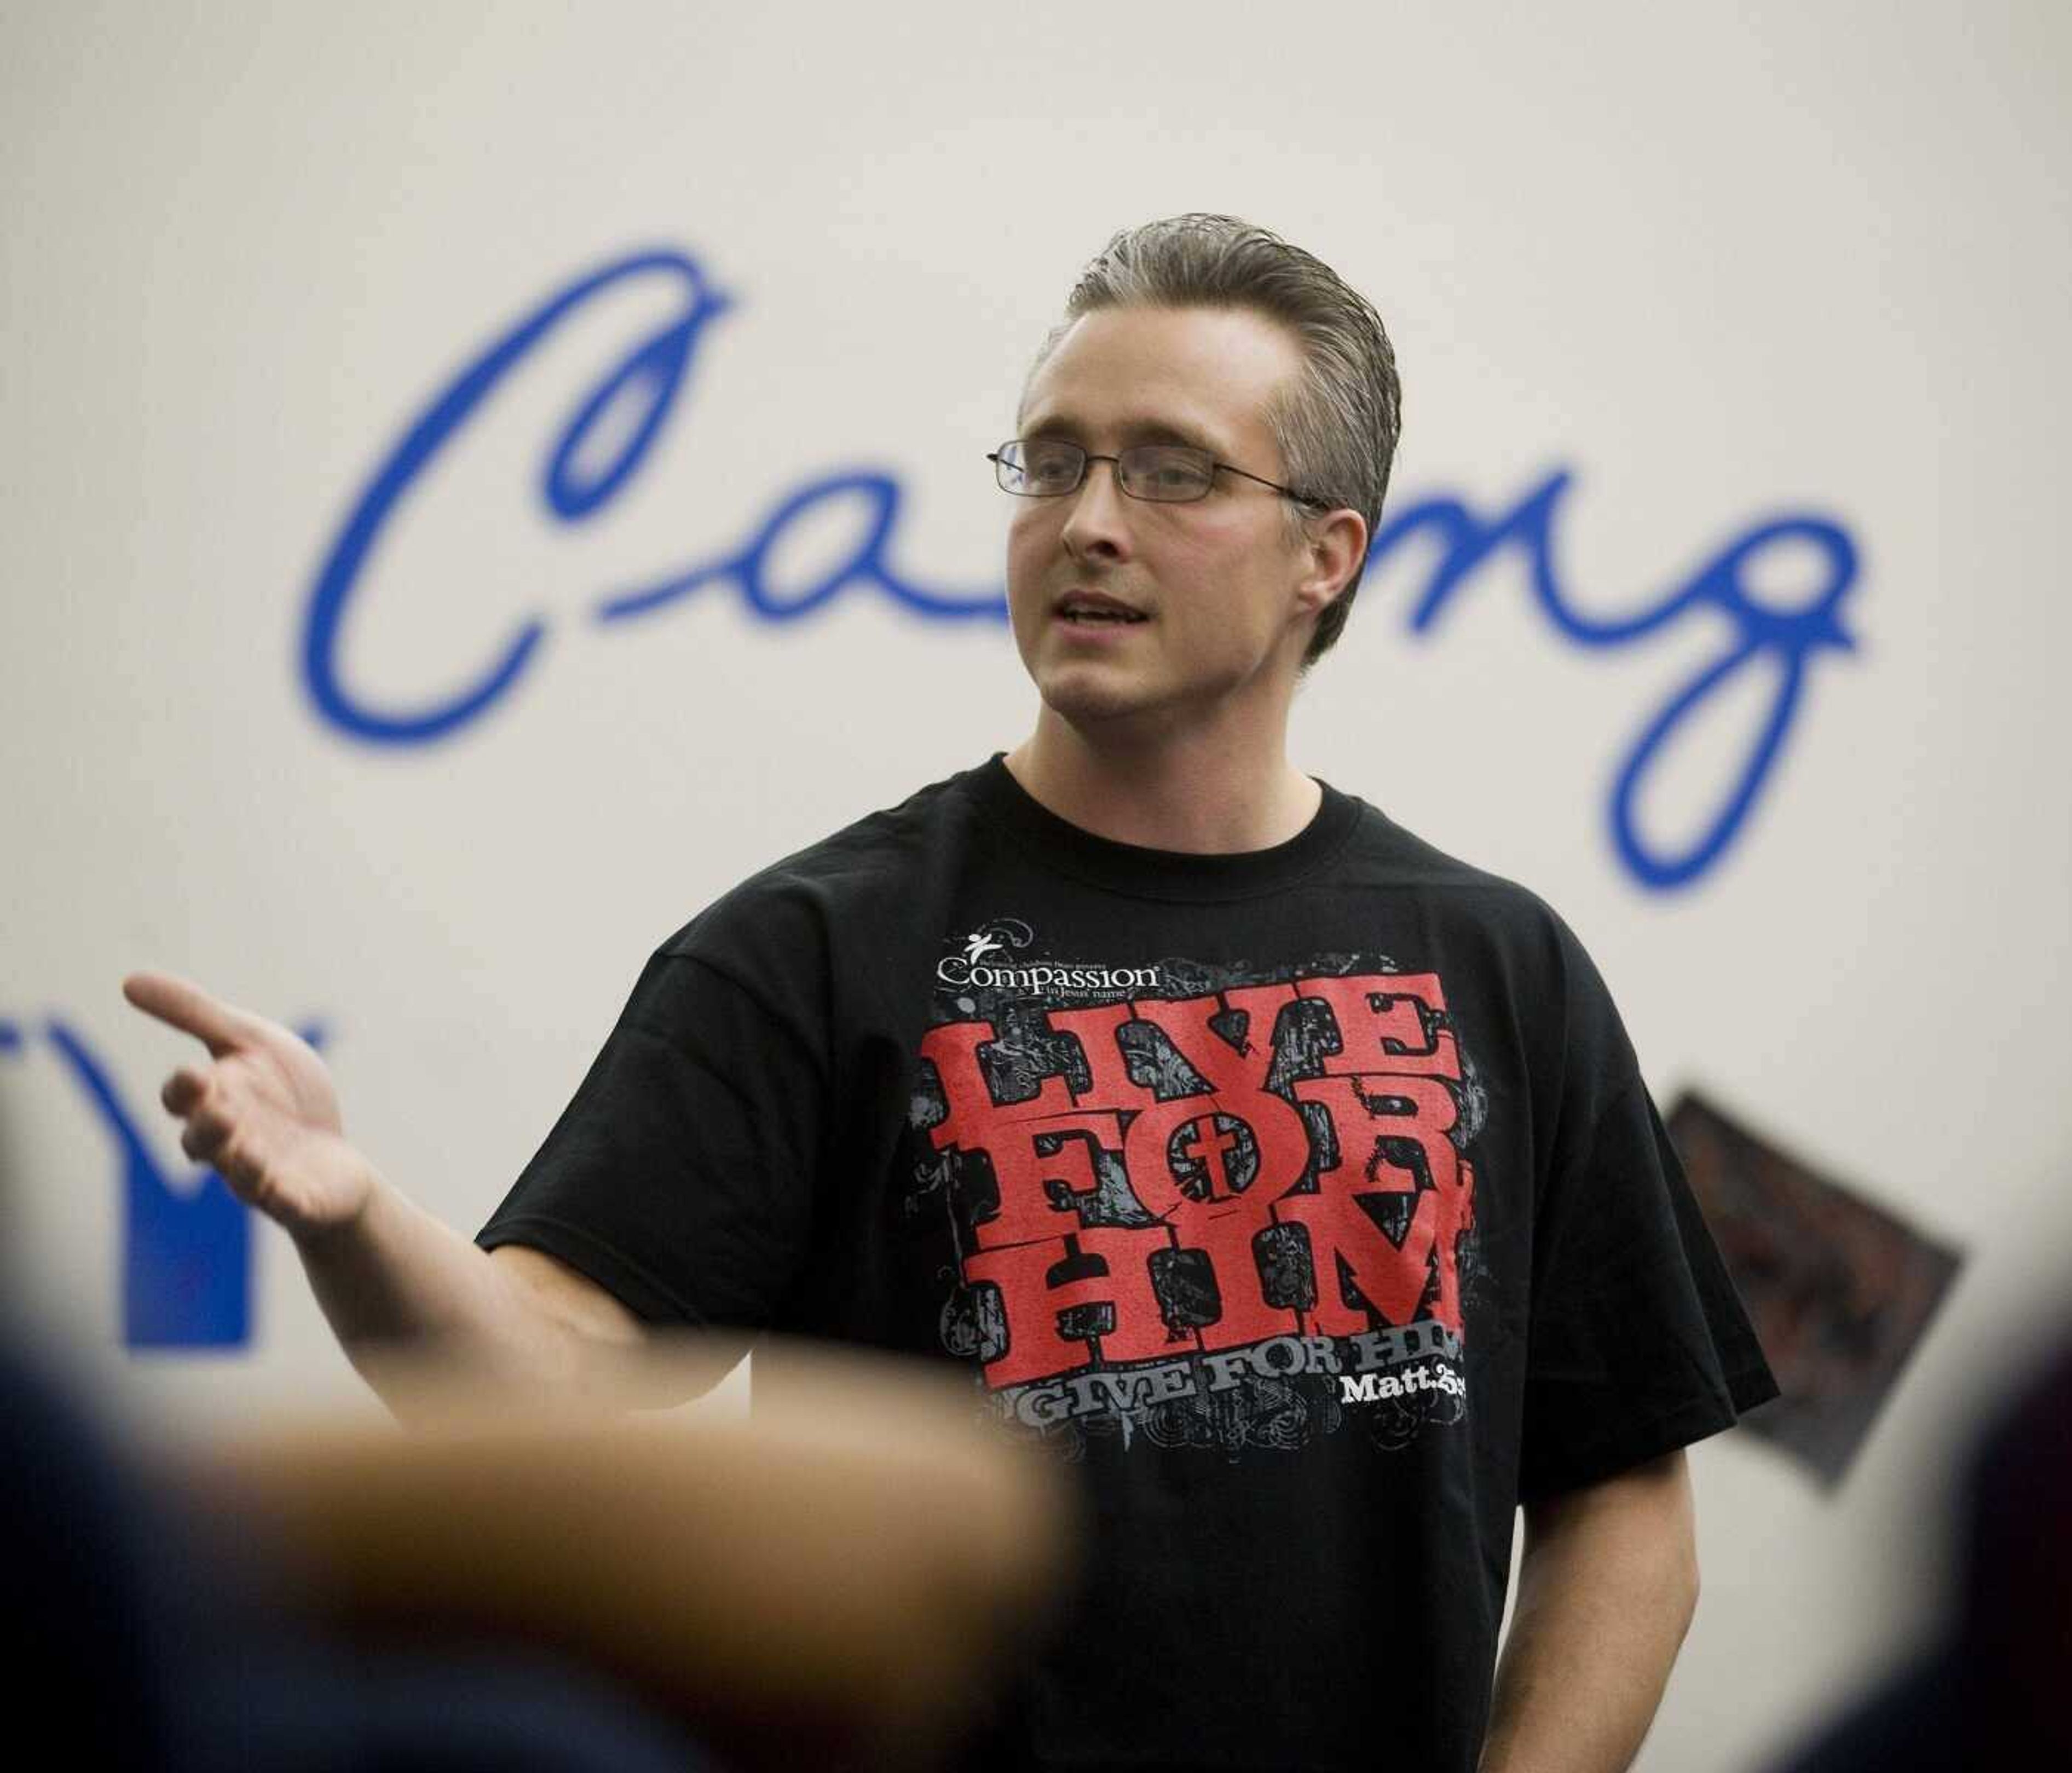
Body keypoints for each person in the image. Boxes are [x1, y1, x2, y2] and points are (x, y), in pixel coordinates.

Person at [130, 214, 1777, 1773]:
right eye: (1051, 461)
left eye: (1174, 471)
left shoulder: (1494, 961)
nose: (1090, 522)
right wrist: (347, 1213)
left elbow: (1624, 1500)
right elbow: (546, 1384)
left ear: (1325, 558)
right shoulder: (813, 947)